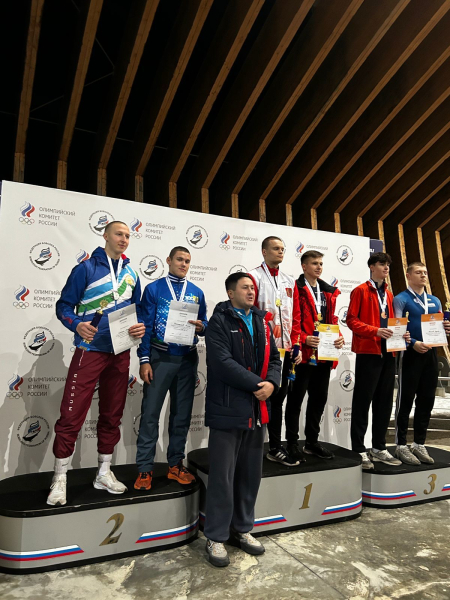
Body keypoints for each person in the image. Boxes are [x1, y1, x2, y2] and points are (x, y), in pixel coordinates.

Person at [47, 221, 145, 506]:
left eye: (128, 235)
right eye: (119, 234)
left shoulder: (131, 273)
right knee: (71, 415)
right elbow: (63, 306)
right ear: (105, 235)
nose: (124, 239)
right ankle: (60, 477)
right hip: (89, 349)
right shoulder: (86, 268)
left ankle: (104, 472)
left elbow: (137, 310)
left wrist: (139, 325)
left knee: (112, 414)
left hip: (120, 351)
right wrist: (76, 324)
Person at [204, 272, 281, 567]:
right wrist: (258, 385)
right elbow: (222, 363)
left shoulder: (262, 322)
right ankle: (215, 536)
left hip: (256, 410)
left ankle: (242, 529)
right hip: (228, 410)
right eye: (245, 287)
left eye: (253, 288)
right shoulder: (219, 322)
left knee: (250, 476)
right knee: (222, 478)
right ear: (230, 292)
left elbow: (275, 359)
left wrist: (272, 383)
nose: (251, 292)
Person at [134, 247, 207, 491]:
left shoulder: (196, 292)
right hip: (160, 357)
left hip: (187, 359)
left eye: (187, 261)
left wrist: (202, 327)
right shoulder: (154, 289)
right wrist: (144, 359)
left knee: (181, 416)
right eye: (179, 260)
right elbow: (145, 324)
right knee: (150, 414)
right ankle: (145, 468)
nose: (183, 264)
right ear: (169, 260)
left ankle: (175, 464)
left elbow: (204, 322)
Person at [347, 252, 407, 470]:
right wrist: (375, 331)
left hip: (389, 352)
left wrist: (402, 333)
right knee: (363, 402)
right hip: (368, 352)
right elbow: (351, 320)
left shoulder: (389, 294)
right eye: (382, 264)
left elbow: (393, 322)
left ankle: (379, 447)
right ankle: (358, 448)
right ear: (372, 267)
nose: (386, 268)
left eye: (388, 264)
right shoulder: (361, 290)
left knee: (384, 402)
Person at [286, 251, 345, 461]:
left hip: (323, 354)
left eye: (321, 263)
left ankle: (312, 442)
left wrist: (338, 336)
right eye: (314, 263)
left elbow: (331, 320)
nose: (319, 267)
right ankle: (292, 443)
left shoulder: (327, 291)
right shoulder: (295, 288)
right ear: (304, 266)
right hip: (302, 355)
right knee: (295, 400)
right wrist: (303, 339)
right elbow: (290, 320)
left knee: (319, 399)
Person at [249, 236, 301, 467]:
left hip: (285, 349)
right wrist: (267, 320)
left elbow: (296, 315)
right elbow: (249, 309)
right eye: (276, 248)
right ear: (264, 251)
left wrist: (296, 344)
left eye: (282, 249)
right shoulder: (253, 276)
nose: (280, 252)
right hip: (262, 349)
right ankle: (251, 447)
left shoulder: (289, 280)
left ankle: (275, 447)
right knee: (260, 396)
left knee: (279, 398)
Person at [393, 262, 450, 465]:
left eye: (425, 272)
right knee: (405, 399)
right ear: (409, 276)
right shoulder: (401, 299)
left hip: (431, 353)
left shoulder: (434, 300)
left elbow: (439, 327)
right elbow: (397, 328)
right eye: (418, 272)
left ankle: (419, 443)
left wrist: (446, 328)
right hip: (410, 354)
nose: (423, 275)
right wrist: (414, 343)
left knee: (426, 400)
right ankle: (401, 445)